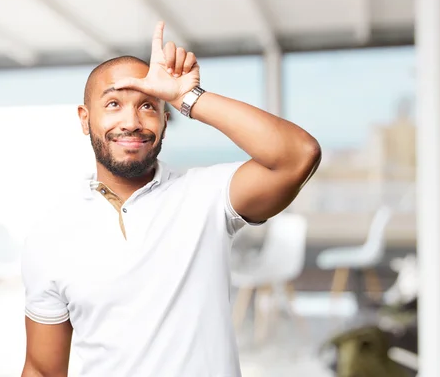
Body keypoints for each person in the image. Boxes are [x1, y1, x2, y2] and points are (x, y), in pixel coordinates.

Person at [21, 21, 321, 377]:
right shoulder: (49, 238)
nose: (131, 122)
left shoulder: (206, 196)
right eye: (114, 103)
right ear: (85, 119)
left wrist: (186, 97)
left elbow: (299, 155)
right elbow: (42, 368)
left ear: (166, 120)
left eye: (147, 106)